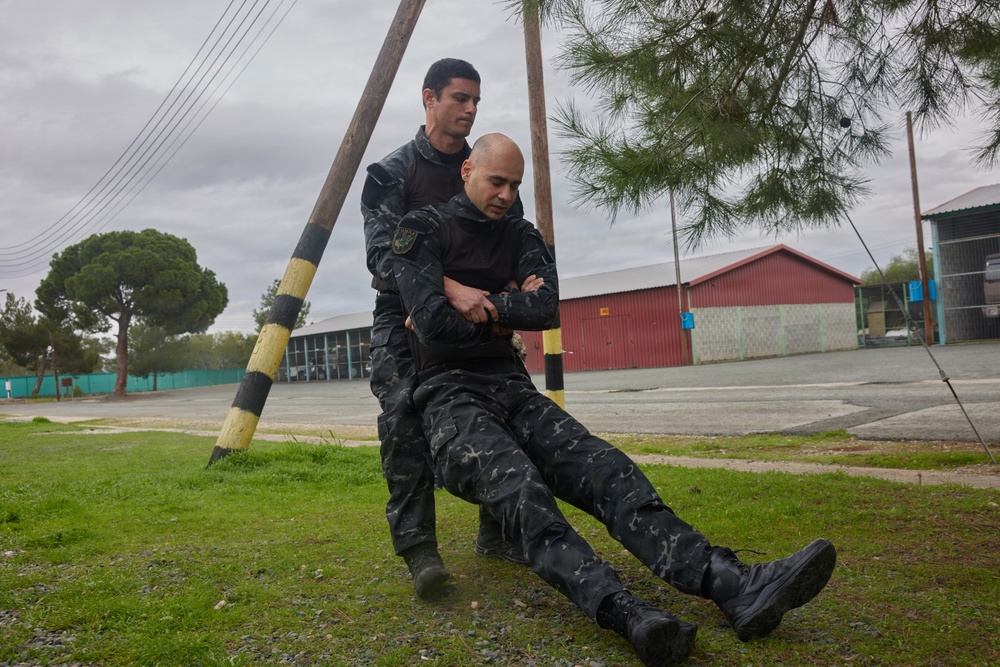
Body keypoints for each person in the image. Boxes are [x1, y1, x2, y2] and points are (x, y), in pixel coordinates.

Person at [390, 133, 837, 666]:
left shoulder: (520, 233)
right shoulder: (421, 230)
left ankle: (731, 582)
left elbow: (548, 308)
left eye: (515, 184)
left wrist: (477, 303)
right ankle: (627, 613)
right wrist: (507, 304)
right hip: (449, 398)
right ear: (466, 171)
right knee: (522, 491)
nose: (507, 194)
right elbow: (435, 327)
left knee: (607, 469)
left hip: (512, 387)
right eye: (496, 181)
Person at [361, 59, 526, 600]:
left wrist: (512, 304)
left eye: (476, 100)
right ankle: (420, 552)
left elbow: (508, 244)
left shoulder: (490, 171)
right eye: (459, 98)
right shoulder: (392, 173)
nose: (470, 110)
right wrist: (444, 289)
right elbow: (383, 260)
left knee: (506, 409)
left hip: (480, 315)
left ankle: (497, 530)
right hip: (401, 318)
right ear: (429, 98)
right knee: (403, 414)